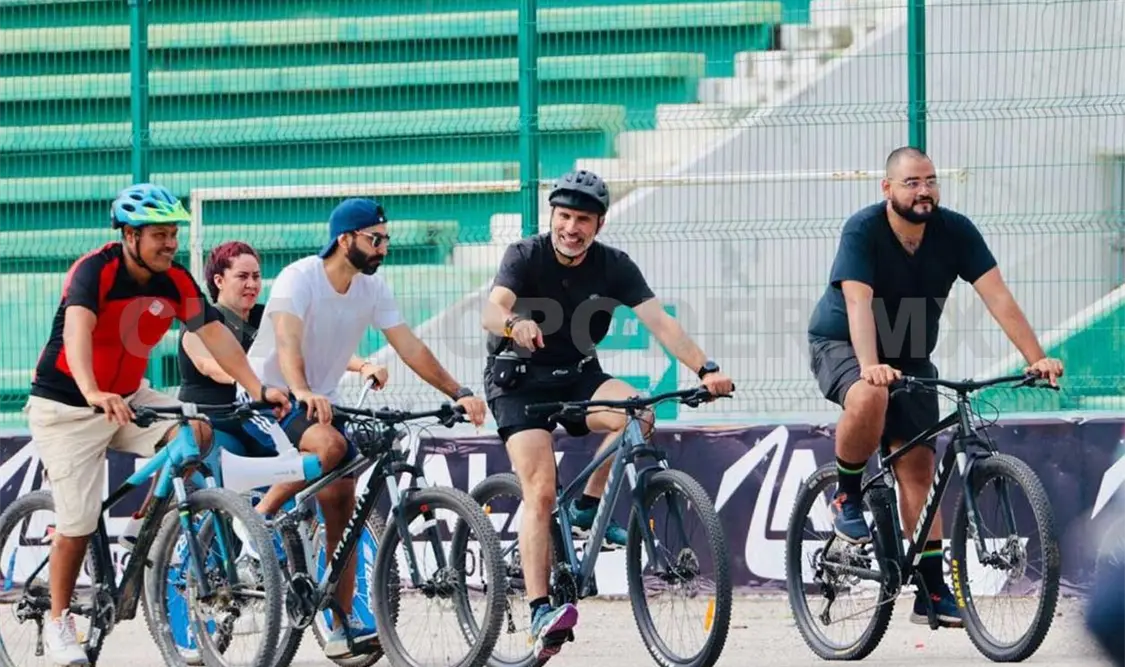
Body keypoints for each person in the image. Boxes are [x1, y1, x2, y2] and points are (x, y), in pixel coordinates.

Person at [25, 183, 290, 666]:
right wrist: (92, 392)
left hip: (128, 397)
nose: (170, 243)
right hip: (68, 406)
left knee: (196, 431)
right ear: (130, 235)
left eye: (173, 234)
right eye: (159, 235)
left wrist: (256, 387)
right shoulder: (95, 271)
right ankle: (60, 618)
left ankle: (145, 525)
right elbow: (77, 332)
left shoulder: (174, 280)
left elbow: (216, 336)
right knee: (78, 521)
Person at [480, 168, 734, 661]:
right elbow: (492, 309)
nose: (571, 228)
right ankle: (539, 610)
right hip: (519, 382)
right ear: (551, 216)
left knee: (639, 415)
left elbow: (661, 324)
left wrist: (706, 368)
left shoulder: (614, 266)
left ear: (599, 224)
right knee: (541, 490)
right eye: (564, 216)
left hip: (578, 375)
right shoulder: (524, 255)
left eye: (583, 220)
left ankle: (587, 507)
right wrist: (514, 324)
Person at [806, 146, 1064, 628]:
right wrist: (870, 366)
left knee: (919, 469)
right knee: (869, 393)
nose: (924, 190)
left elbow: (998, 297)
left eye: (930, 180)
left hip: (911, 356)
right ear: (887, 188)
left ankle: (931, 591)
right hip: (843, 342)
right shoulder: (863, 230)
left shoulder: (955, 231)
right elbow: (858, 304)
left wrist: (1036, 358)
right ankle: (846, 496)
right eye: (911, 182)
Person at [243, 196, 488, 659]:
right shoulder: (299, 278)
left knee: (343, 505)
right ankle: (258, 523)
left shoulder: (372, 288)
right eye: (376, 239)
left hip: (319, 401)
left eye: (386, 240)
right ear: (345, 239)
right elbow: (287, 342)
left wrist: (458, 391)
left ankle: (342, 626)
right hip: (269, 396)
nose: (384, 248)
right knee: (331, 447)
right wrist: (303, 390)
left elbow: (409, 346)